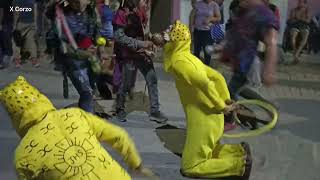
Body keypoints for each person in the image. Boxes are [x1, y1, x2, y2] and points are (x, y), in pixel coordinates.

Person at [0, 76, 156, 180]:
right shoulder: (75, 115)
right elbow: (118, 136)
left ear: (14, 116)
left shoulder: (22, 156)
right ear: (41, 97)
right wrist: (136, 164)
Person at [155, 21, 252, 179]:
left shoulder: (179, 62)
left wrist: (222, 106)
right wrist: (225, 100)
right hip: (210, 118)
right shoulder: (189, 57)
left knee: (191, 165)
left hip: (203, 119)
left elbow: (204, 82)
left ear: (175, 42)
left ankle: (239, 165)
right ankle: (237, 152)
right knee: (207, 149)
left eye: (168, 40)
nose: (164, 42)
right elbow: (217, 76)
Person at [113, 0, 168, 123]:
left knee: (152, 79)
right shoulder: (121, 14)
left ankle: (154, 111)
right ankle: (120, 108)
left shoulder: (140, 12)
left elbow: (143, 32)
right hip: (128, 54)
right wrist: (141, 43)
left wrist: (152, 41)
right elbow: (119, 37)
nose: (145, 2)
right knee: (126, 84)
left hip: (142, 53)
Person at [221, 0, 279, 102]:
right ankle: (266, 107)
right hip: (239, 64)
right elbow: (236, 35)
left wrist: (269, 70)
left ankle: (266, 108)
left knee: (228, 96)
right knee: (232, 92)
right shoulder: (244, 12)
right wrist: (225, 51)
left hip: (248, 64)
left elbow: (271, 43)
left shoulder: (264, 14)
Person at [190, 0, 221, 66]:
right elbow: (192, 16)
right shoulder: (198, 4)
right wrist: (191, 28)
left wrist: (211, 19)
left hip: (208, 32)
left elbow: (219, 18)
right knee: (196, 51)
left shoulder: (214, 5)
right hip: (197, 31)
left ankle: (207, 67)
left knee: (207, 52)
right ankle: (196, 68)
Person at [12, 0, 40, 68]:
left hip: (21, 23)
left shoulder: (17, 1)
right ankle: (34, 60)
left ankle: (17, 61)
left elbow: (16, 13)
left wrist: (15, 25)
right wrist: (35, 24)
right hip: (31, 23)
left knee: (16, 42)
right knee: (31, 41)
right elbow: (36, 12)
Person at [0, 0, 14, 69]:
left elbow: (1, 11)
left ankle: (3, 60)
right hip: (9, 21)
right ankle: (5, 58)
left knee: (4, 41)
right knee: (6, 41)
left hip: (5, 23)